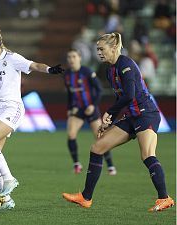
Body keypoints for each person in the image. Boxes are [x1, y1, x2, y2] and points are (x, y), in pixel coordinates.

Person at [62, 32, 174, 212]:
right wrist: (110, 120)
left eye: (101, 49)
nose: (98, 52)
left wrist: (110, 112)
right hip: (131, 116)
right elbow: (122, 98)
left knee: (147, 154)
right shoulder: (110, 70)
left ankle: (164, 198)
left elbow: (130, 95)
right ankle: (86, 197)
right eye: (97, 49)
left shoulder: (126, 65)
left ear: (113, 48)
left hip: (146, 114)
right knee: (97, 148)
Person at [0, 25, 64, 209]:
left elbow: (33, 65)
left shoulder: (12, 58)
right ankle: (6, 200)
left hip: (12, 107)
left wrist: (49, 70)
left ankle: (9, 178)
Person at [64, 49, 116, 175]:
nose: (71, 59)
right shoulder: (66, 75)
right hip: (78, 110)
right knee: (71, 134)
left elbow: (99, 90)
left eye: (74, 56)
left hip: (91, 108)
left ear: (80, 58)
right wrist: (70, 108)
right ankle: (77, 164)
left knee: (100, 137)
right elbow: (70, 94)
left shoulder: (87, 72)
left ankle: (110, 166)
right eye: (69, 57)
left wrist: (93, 105)